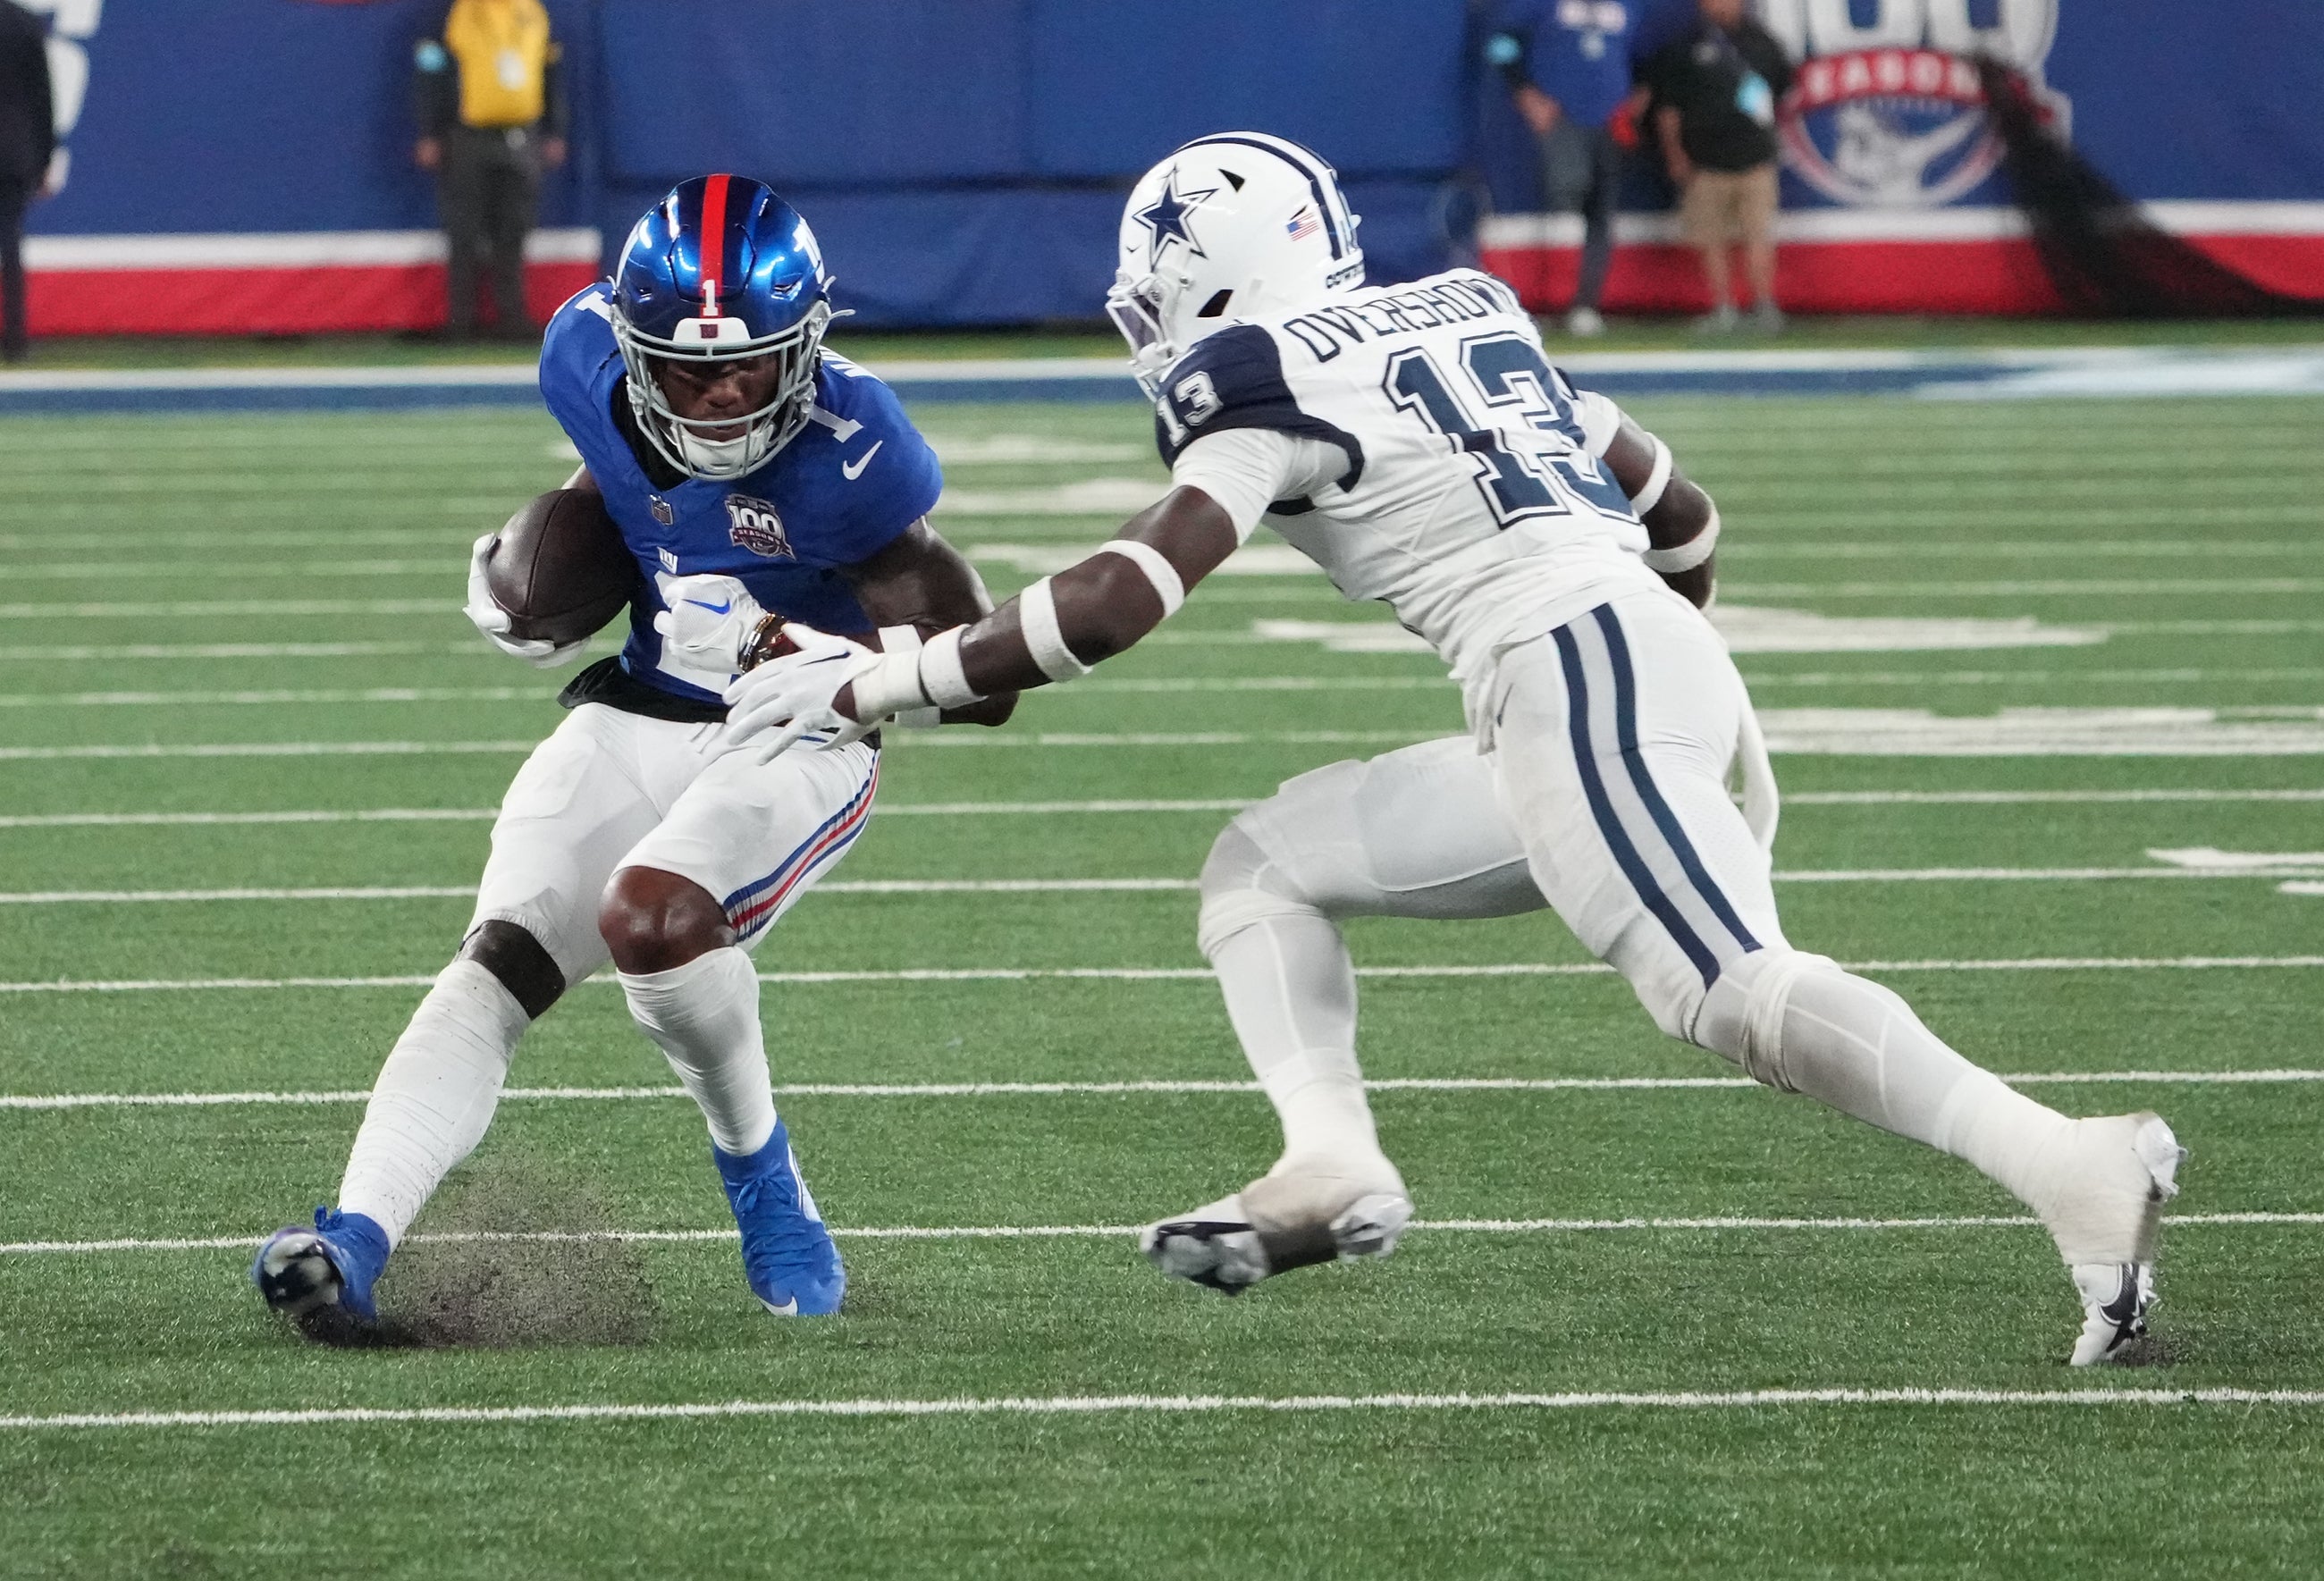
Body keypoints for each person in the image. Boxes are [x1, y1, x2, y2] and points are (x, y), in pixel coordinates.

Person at [665, 133, 2185, 1367]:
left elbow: (1124, 595)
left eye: (1158, 292)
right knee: (1265, 863)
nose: (1151, 327)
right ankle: (1330, 1160)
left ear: (1214, 278)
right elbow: (1687, 518)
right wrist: (1660, 680)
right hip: (1610, 666)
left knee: (1729, 993)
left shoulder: (1253, 378)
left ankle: (2074, 1161)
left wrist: (886, 678)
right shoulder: (1469, 316)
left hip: (1577, 669)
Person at [254, 176, 1014, 1327]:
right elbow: (609, 494)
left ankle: (765, 1181)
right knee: (495, 963)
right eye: (684, 367)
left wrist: (811, 653)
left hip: (796, 733)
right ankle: (353, 1236)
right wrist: (524, 581)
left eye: (746, 365)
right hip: (640, 705)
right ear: (632, 348)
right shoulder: (585, 361)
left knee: (652, 916)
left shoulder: (854, 452)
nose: (715, 396)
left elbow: (983, 682)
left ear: (803, 347)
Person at [412, 0, 570, 340]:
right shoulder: (454, 14)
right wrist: (431, 131)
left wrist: (554, 129)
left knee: (514, 231)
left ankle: (512, 318)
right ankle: (461, 322)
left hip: (521, 134)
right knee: (464, 231)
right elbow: (431, 72)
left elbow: (549, 72)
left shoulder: (531, 12)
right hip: (467, 136)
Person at [1485, 0, 1638, 338]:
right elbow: (1499, 45)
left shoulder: (1626, 8)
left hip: (1609, 123)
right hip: (1560, 120)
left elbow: (1638, 57)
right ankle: (1542, 300)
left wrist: (1632, 103)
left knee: (1599, 213)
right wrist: (1526, 93)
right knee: (1563, 197)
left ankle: (1585, 304)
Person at [1643, 0, 1793, 333]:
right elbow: (1669, 109)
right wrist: (1676, 154)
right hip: (1706, 162)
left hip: (1755, 158)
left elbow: (1780, 90)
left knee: (1758, 235)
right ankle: (1723, 307)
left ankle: (1764, 306)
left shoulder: (1762, 42)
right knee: (1711, 240)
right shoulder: (1686, 46)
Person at [0, 0, 56, 364]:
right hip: (14, 152)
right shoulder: (23, 23)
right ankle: (16, 339)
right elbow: (42, 98)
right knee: (10, 244)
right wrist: (44, 160)